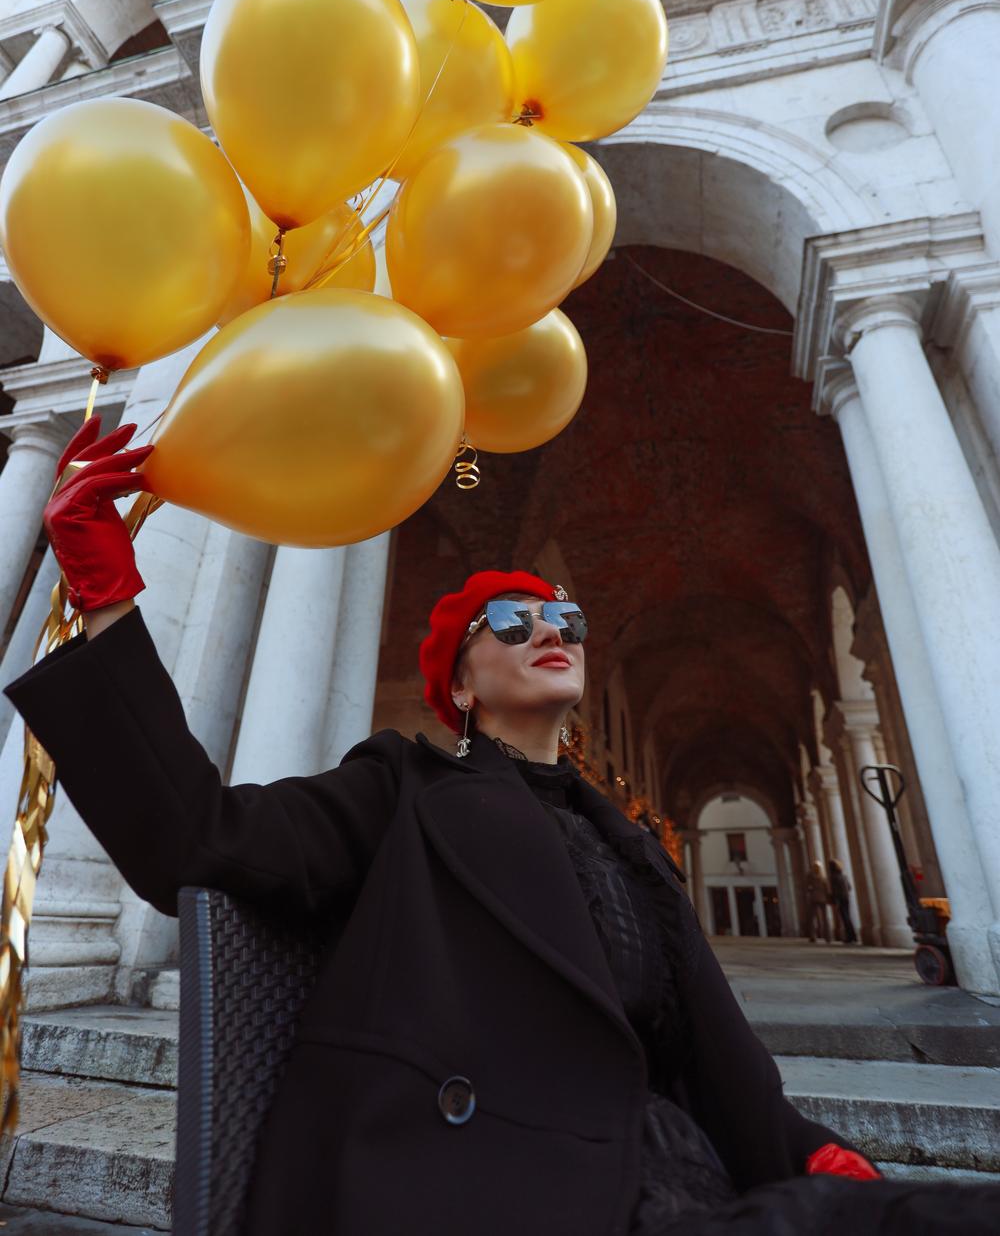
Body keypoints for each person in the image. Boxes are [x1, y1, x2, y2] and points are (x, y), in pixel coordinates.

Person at [4, 418, 999, 1236]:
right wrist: (102, 589)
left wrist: (801, 1149)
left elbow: (716, 1054)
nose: (551, 633)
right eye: (512, 623)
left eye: (563, 619)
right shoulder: (403, 789)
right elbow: (198, 836)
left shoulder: (629, 841)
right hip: (471, 1184)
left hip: (668, 1173)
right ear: (461, 687)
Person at [829, 858, 858, 945]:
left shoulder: (833, 877)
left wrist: (835, 900)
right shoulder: (843, 876)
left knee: (844, 917)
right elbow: (849, 887)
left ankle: (850, 936)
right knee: (847, 916)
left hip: (840, 898)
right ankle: (853, 936)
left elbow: (834, 890)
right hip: (846, 898)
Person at [806, 860, 832, 943]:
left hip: (813, 898)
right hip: (823, 898)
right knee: (825, 917)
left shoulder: (810, 876)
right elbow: (827, 889)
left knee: (812, 918)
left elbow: (807, 887)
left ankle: (813, 936)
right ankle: (828, 937)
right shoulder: (823, 877)